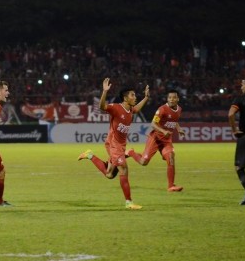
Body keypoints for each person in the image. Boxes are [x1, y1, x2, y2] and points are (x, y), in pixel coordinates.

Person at [78, 78, 150, 210]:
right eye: (132, 95)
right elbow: (102, 107)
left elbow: (137, 109)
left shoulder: (130, 110)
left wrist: (146, 98)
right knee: (124, 168)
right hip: (113, 144)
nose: (135, 97)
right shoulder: (117, 108)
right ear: (125, 97)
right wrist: (104, 91)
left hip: (120, 145)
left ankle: (90, 155)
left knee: (110, 174)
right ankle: (129, 202)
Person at [125, 90, 185, 192]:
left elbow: (174, 121)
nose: (171, 99)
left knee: (171, 157)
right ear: (167, 99)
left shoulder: (179, 109)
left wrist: (179, 129)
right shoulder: (162, 109)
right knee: (143, 162)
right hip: (155, 139)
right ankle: (131, 152)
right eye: (170, 97)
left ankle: (171, 186)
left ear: (177, 99)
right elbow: (153, 124)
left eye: (174, 97)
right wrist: (163, 131)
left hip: (166, 141)